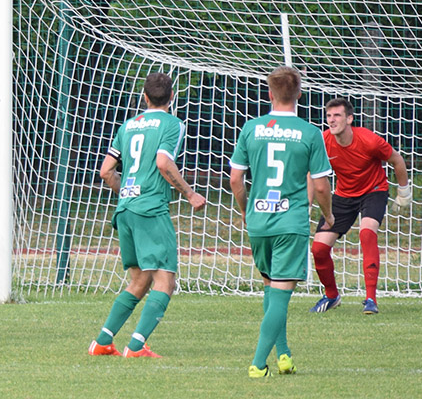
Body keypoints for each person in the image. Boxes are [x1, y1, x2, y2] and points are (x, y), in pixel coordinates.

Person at [88, 72, 206, 359]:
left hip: (126, 209)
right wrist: (190, 194)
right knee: (166, 280)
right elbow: (163, 163)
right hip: (151, 208)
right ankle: (137, 347)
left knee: (140, 280)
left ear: (144, 96)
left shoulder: (128, 125)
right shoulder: (173, 124)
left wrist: (127, 191)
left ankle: (103, 342)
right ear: (172, 97)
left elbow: (105, 171)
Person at [229, 66, 334, 378]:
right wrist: (328, 215)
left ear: (270, 94)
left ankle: (284, 354)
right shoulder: (310, 133)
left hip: (259, 220)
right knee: (281, 291)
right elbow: (320, 185)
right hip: (290, 221)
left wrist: (247, 209)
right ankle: (258, 364)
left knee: (272, 290)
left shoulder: (251, 128)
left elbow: (236, 179)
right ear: (299, 94)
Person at [309, 97, 410, 315]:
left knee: (367, 233)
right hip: (344, 195)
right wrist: (306, 204)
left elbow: (397, 160)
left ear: (349, 118)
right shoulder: (324, 140)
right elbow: (312, 173)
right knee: (318, 248)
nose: (332, 120)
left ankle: (371, 299)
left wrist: (404, 192)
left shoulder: (369, 140)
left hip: (374, 191)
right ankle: (332, 295)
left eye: (337, 115)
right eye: (329, 116)